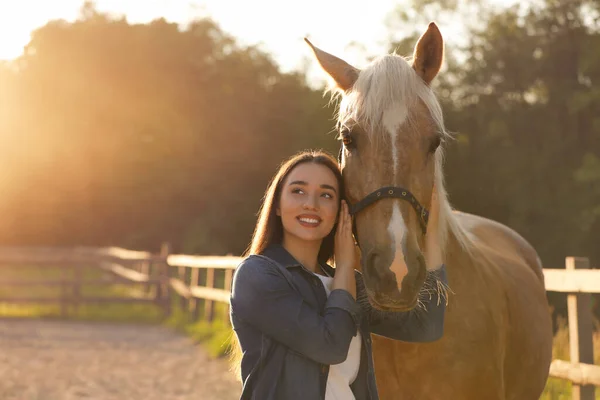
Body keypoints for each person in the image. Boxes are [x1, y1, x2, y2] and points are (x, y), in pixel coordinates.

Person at [229, 150, 447, 400]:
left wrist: (432, 234)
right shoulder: (256, 275)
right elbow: (329, 346)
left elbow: (426, 325)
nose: (311, 203)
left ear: (341, 210)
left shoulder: (348, 283)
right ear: (277, 205)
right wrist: (344, 265)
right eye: (298, 191)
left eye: (326, 195)